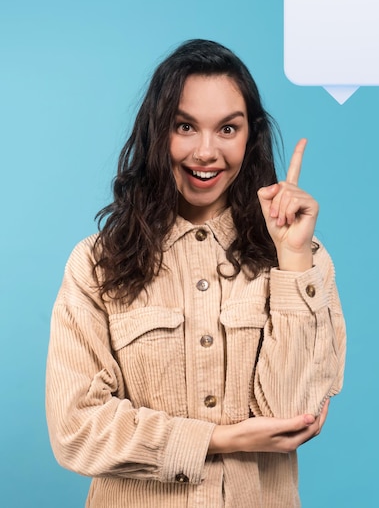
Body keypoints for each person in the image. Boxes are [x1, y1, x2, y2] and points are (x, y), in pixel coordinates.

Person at [46, 39, 346, 507]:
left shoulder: (305, 261)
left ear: (251, 137)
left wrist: (292, 261)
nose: (206, 152)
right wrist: (218, 440)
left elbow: (294, 416)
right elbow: (76, 429)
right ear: (157, 132)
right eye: (185, 126)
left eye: (228, 128)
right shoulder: (95, 264)